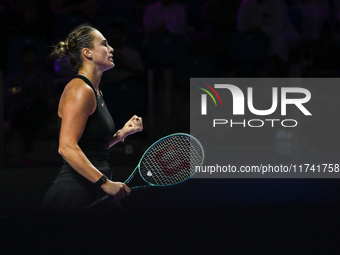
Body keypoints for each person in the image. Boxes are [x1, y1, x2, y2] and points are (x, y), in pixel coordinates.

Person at [40, 24, 143, 217]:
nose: (111, 49)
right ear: (87, 52)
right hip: (73, 194)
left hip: (94, 190)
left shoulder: (95, 91)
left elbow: (92, 146)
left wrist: (122, 133)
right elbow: (67, 147)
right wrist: (105, 182)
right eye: (104, 44)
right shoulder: (80, 90)